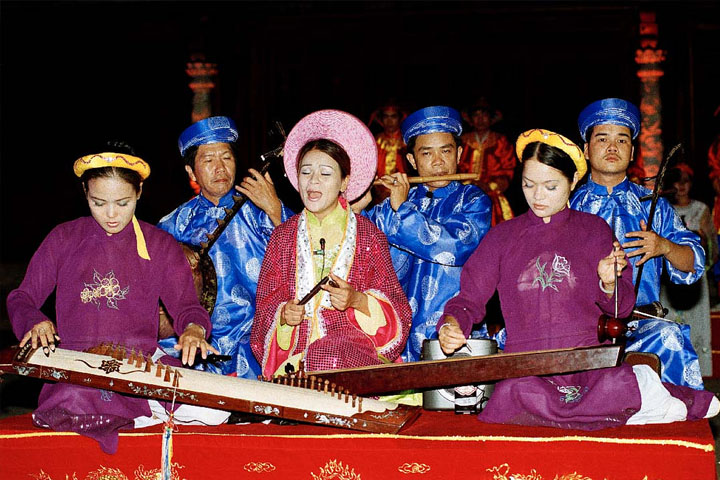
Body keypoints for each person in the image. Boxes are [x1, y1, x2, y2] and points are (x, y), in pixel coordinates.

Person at [438, 129, 718, 429]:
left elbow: (622, 309)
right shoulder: (502, 237)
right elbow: (469, 297)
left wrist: (609, 283)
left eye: (550, 186)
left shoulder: (594, 229)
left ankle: (626, 396)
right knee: (512, 392)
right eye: (528, 185)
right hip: (527, 366)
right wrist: (453, 323)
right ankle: (637, 400)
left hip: (587, 363)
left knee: (610, 384)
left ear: (572, 182)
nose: (538, 196)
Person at [6, 145, 228, 453]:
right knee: (73, 400)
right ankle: (135, 422)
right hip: (80, 365)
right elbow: (22, 297)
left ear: (139, 191)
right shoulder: (64, 238)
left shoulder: (160, 245)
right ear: (84, 192)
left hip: (140, 362)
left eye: (122, 203)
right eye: (99, 202)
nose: (111, 214)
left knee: (215, 410)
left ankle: (135, 418)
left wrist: (193, 328)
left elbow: (188, 307)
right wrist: (35, 321)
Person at [250, 109, 412, 378]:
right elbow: (266, 308)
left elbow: (398, 310)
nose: (313, 181)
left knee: (327, 356)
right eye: (305, 172)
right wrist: (283, 317)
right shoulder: (282, 238)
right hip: (294, 358)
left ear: (344, 181)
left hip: (348, 353)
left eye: (325, 173)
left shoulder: (368, 235)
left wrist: (357, 300)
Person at [570, 98, 706, 389]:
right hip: (579, 327)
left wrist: (664, 247)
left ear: (632, 152)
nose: (612, 147)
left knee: (670, 338)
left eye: (621, 140)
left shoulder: (651, 205)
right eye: (602, 138)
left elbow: (694, 263)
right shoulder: (567, 205)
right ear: (585, 149)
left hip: (642, 325)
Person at [158, 116, 292, 379]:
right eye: (208, 160)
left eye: (226, 158)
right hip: (195, 336)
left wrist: (276, 212)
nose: (220, 168)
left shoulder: (261, 208)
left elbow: (305, 259)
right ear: (191, 171)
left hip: (257, 334)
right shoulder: (172, 226)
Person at [358, 106, 492, 362]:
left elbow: (454, 246)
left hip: (454, 329)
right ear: (412, 161)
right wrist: (358, 202)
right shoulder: (396, 202)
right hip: (397, 332)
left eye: (446, 151)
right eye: (426, 153)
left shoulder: (474, 201)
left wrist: (403, 211)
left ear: (460, 154)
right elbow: (358, 240)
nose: (438, 161)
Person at [660, 164, 717, 377]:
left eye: (686, 180)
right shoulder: (664, 208)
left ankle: (700, 377)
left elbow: (711, 245)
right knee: (669, 325)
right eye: (677, 180)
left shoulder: (700, 209)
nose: (682, 185)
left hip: (694, 275)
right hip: (668, 276)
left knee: (697, 328)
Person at [458, 98, 516, 225]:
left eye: (484, 115)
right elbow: (456, 168)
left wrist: (489, 186)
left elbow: (508, 169)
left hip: (493, 196)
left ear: (490, 118)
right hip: (465, 195)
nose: (480, 119)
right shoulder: (463, 142)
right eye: (476, 115)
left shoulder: (501, 141)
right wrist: (469, 184)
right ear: (471, 119)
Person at [369, 102, 408, 204]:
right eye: (386, 116)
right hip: (377, 193)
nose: (389, 121)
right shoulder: (375, 141)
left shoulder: (406, 141)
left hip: (404, 191)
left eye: (393, 116)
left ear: (399, 118)